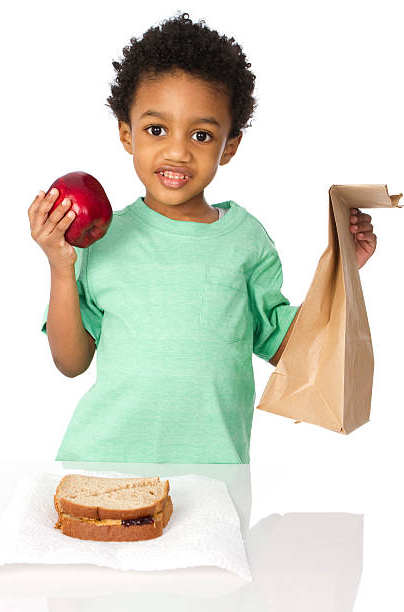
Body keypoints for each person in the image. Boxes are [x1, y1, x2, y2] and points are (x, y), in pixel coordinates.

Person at [28, 12, 377, 463]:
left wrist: (342, 268)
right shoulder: (101, 239)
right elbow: (71, 364)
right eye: (156, 129)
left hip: (215, 476)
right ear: (126, 133)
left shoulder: (245, 240)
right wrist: (61, 266)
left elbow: (292, 350)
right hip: (102, 463)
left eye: (201, 134)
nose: (177, 151)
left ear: (229, 146)